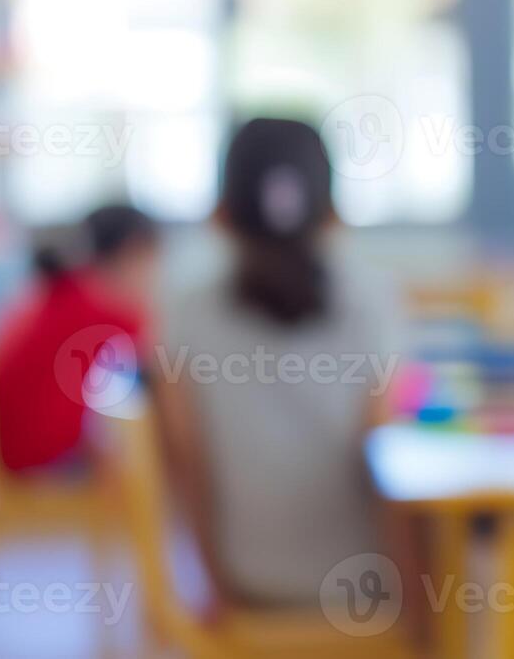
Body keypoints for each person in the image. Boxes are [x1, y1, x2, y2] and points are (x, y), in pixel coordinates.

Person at [155, 118, 407, 609]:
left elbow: (184, 459)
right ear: (333, 213)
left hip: (246, 582)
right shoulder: (374, 301)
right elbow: (387, 454)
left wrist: (217, 586)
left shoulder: (184, 312)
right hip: (365, 587)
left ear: (221, 214)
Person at [0, 204, 159, 474]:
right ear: (133, 252)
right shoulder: (103, 306)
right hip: (40, 461)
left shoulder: (60, 291)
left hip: (10, 451)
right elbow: (161, 355)